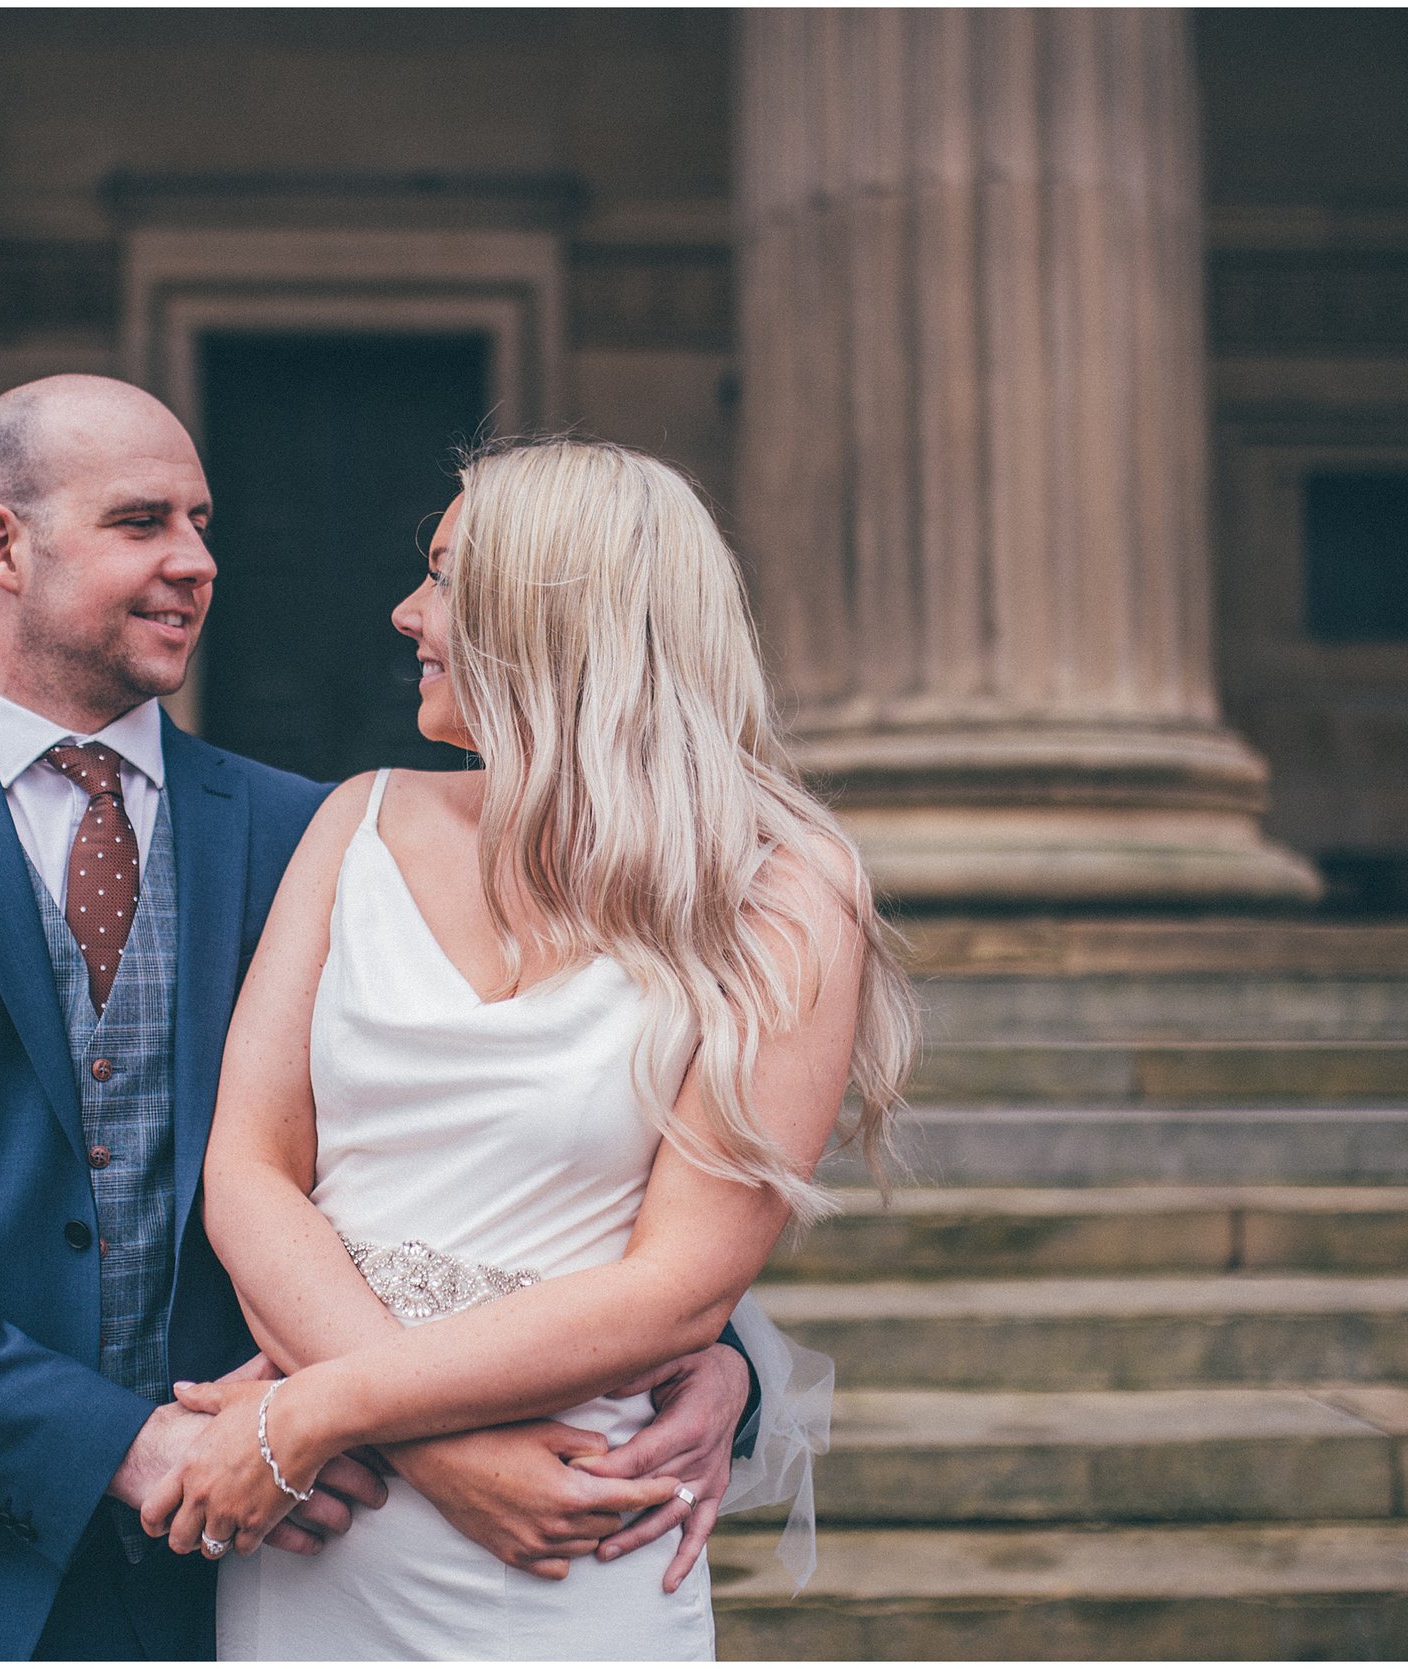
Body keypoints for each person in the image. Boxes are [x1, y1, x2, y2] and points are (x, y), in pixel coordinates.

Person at [0, 378, 773, 1660]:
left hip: (250, 1566)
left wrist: (721, 1356)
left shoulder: (324, 833)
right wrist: (133, 1441)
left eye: (203, 520)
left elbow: (525, 1136)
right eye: (142, 521)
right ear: (2, 546)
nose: (197, 562)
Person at [153, 437, 918, 1659]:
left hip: (570, 1531)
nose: (407, 612)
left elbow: (683, 1285)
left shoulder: (780, 889)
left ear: (558, 612)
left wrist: (316, 1410)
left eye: (447, 578)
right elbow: (248, 1171)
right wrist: (427, 1449)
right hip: (327, 1540)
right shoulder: (357, 820)